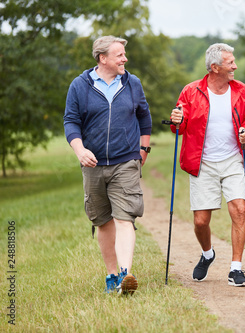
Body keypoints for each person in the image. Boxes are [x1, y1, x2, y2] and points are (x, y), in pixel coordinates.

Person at [63, 36, 152, 294]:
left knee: (125, 218)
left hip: (125, 161)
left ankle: (126, 274)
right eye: (120, 55)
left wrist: (142, 151)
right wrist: (80, 150)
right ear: (103, 58)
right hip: (93, 165)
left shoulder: (132, 83)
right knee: (103, 221)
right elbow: (71, 122)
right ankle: (112, 276)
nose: (125, 59)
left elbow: (144, 117)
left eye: (124, 54)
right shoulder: (80, 86)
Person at [169, 43, 245, 287]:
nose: (235, 66)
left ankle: (235, 269)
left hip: (232, 160)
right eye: (230, 63)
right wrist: (177, 119)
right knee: (201, 222)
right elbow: (179, 127)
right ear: (215, 67)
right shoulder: (190, 91)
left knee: (239, 209)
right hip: (202, 162)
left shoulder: (241, 90)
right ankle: (208, 254)